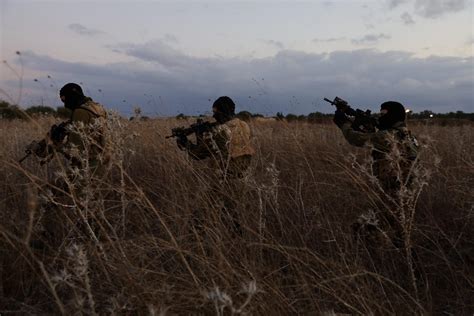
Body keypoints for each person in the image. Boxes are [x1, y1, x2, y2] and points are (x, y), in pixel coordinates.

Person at [333, 101, 419, 248]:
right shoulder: (407, 135)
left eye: (383, 114)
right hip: (405, 191)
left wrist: (344, 124)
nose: (380, 116)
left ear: (393, 115)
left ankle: (374, 258)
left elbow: (356, 139)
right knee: (400, 230)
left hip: (393, 192)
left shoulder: (388, 136)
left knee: (364, 227)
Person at [176, 96, 255, 235]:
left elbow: (196, 155)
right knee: (231, 217)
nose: (213, 115)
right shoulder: (244, 125)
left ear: (222, 111)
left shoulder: (217, 131)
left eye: (215, 112)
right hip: (243, 179)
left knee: (199, 220)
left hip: (224, 181)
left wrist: (186, 143)